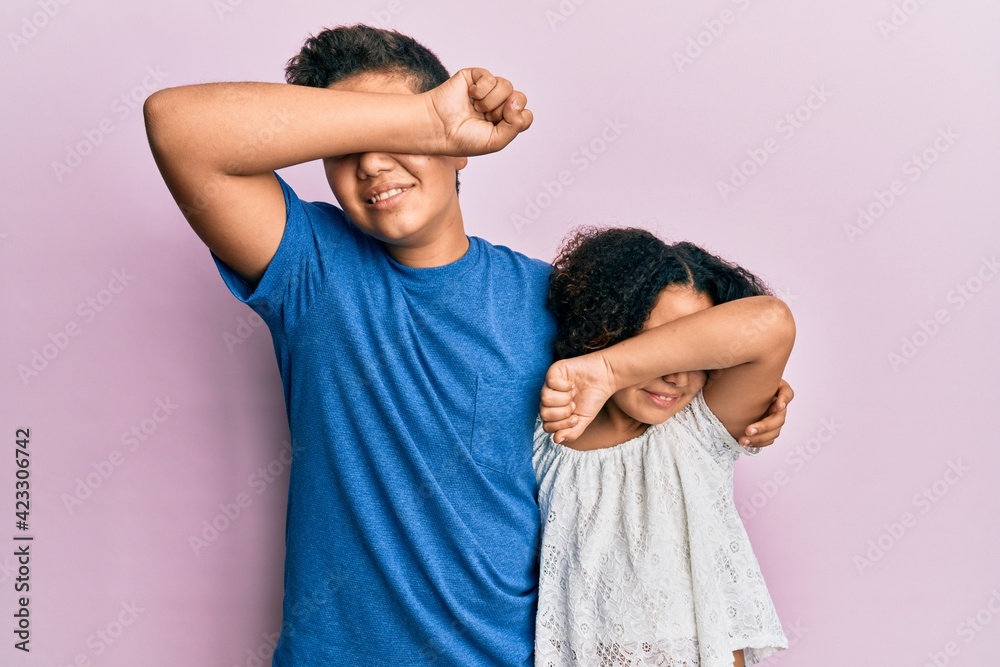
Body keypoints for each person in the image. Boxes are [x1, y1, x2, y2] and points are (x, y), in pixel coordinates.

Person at [142, 24, 793, 666]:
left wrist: (745, 392)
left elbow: (664, 398)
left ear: (459, 151)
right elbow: (177, 126)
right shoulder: (312, 267)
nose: (372, 161)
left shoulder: (555, 300)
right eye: (349, 145)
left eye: (397, 134)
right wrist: (419, 120)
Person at [534, 227, 794, 666]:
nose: (677, 375)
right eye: (659, 345)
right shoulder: (547, 436)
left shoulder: (698, 429)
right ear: (604, 324)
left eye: (695, 354)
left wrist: (610, 370)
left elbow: (771, 322)